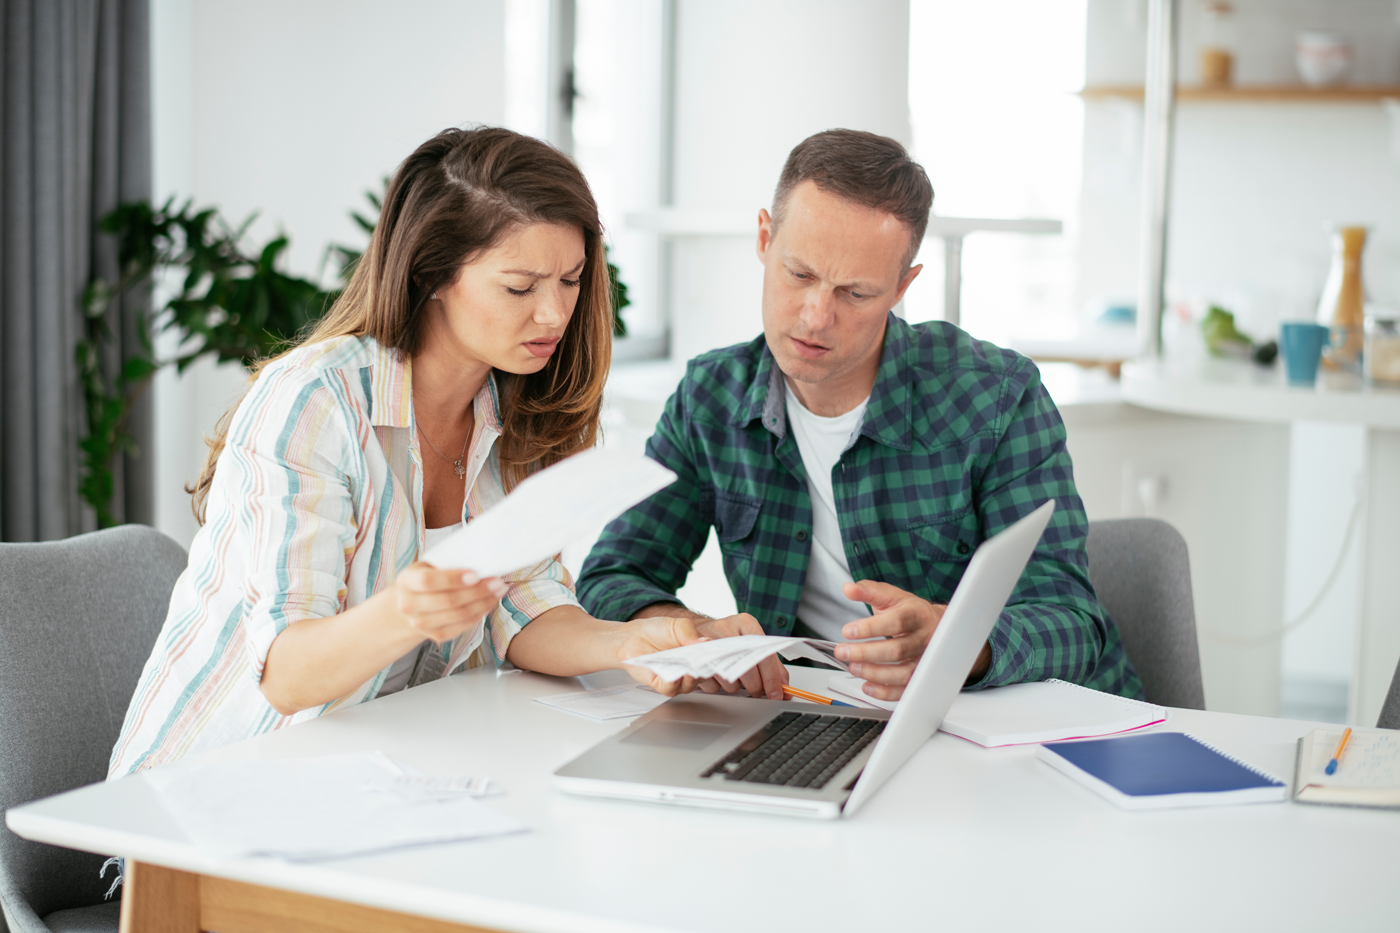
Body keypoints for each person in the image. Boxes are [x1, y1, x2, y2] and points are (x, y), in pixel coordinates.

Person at [109, 127, 703, 778]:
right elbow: (286, 672)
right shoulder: (318, 401)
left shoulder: (511, 414)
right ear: (433, 273)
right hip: (204, 799)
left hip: (371, 780)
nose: (554, 313)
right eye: (519, 287)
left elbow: (525, 609)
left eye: (570, 280)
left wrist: (636, 642)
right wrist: (406, 611)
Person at [577, 129, 1142, 705]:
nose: (816, 317)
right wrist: (692, 632)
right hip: (817, 716)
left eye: (855, 294)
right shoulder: (711, 397)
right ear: (765, 239)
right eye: (799, 275)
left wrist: (960, 643)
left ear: (902, 287)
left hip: (1013, 727)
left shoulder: (997, 397)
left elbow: (1073, 623)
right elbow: (612, 575)